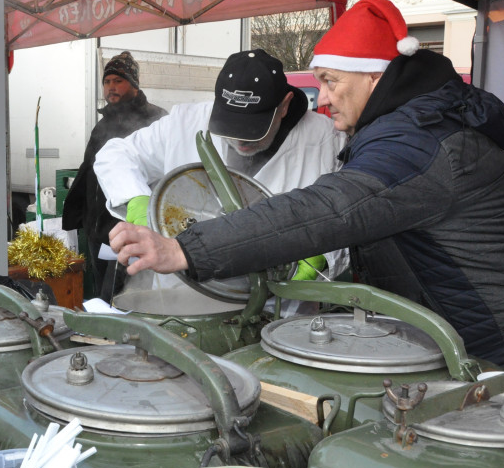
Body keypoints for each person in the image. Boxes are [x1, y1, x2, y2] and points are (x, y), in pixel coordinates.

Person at [109, 0, 504, 369]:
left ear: (374, 76)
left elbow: (329, 209)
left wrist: (185, 248)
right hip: (491, 334)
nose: (320, 97)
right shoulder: (412, 123)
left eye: (330, 81)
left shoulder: (417, 141)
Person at [94, 49, 348, 300]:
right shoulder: (185, 121)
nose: (240, 141)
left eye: (252, 130)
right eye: (231, 126)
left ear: (284, 106)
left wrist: (324, 253)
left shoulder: (328, 140)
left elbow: (348, 214)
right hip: (182, 296)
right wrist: (137, 201)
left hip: (277, 305)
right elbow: (115, 154)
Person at [62, 51, 167, 297]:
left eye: (118, 81)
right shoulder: (103, 123)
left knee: (129, 296)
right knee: (102, 293)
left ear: (134, 84)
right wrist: (81, 215)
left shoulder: (156, 120)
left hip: (130, 229)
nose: (111, 87)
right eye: (107, 82)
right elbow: (88, 169)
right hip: (97, 230)